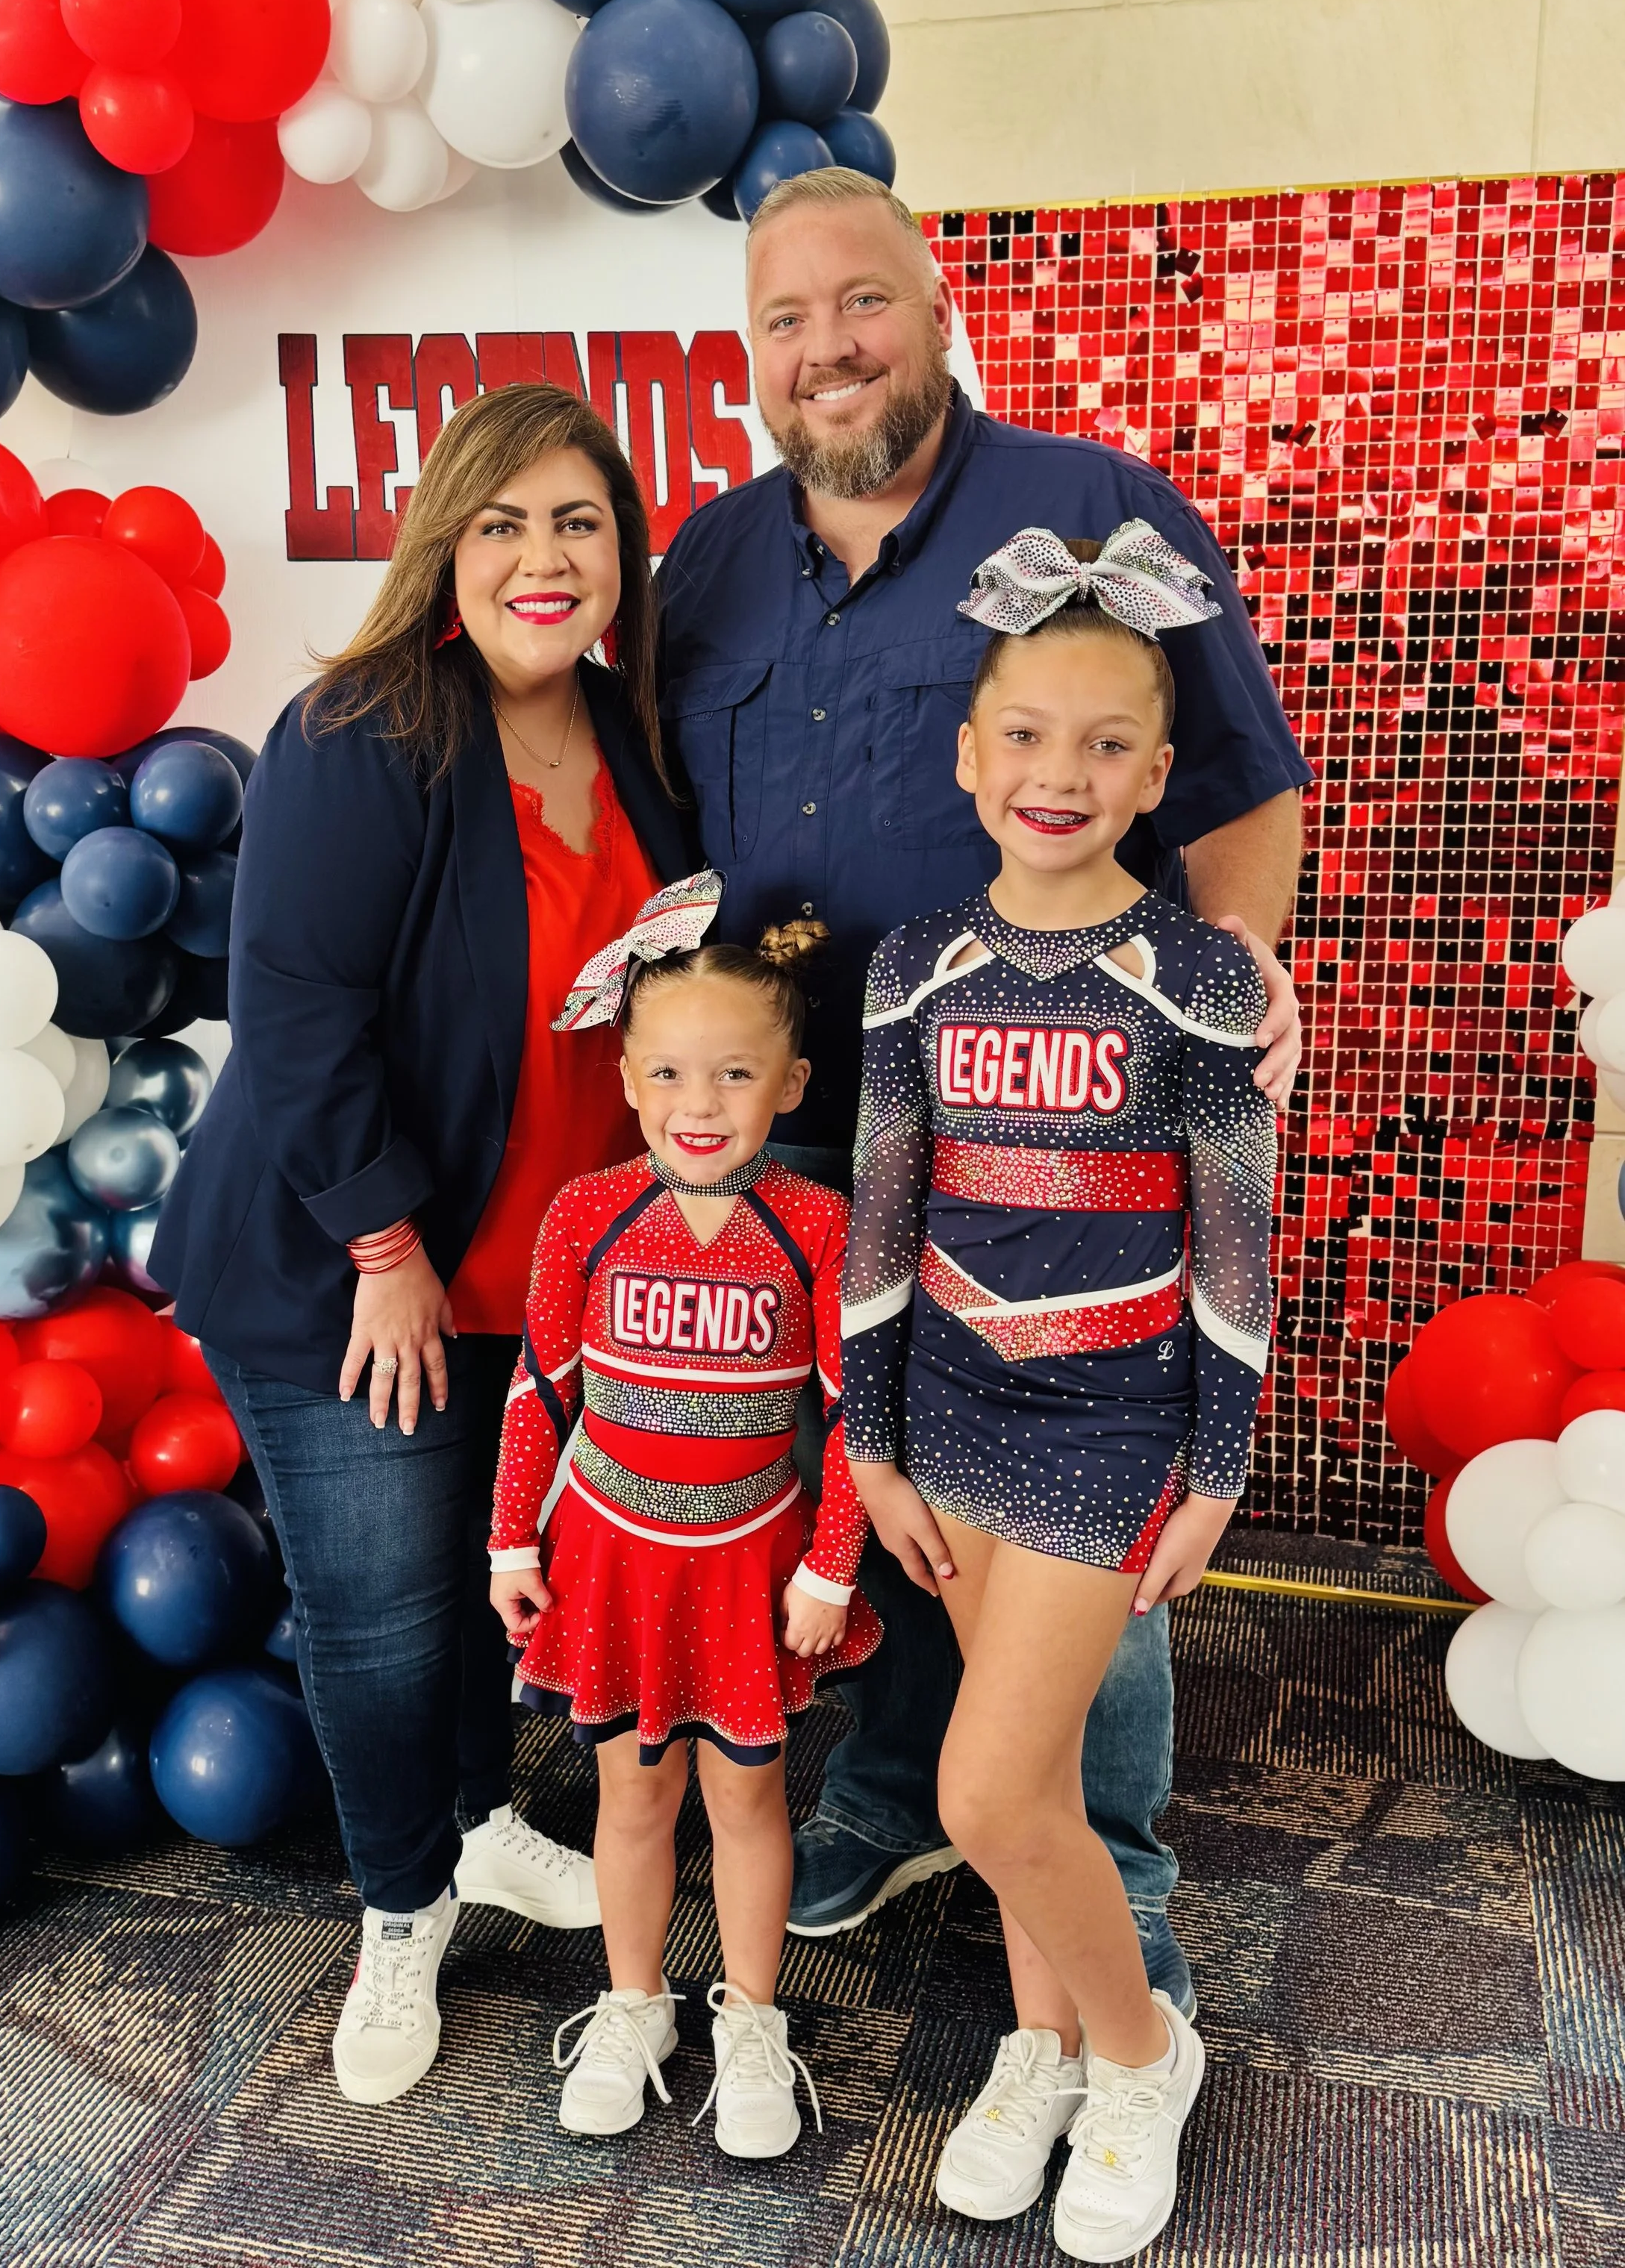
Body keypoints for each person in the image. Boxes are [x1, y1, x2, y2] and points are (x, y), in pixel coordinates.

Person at [657, 166, 1309, 1990]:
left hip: (1062, 1113)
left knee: (1076, 1479)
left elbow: (1240, 779)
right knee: (886, 1479)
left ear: (934, 311)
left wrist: (1234, 974)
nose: (825, 350)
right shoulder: (706, 561)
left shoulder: (1086, 506)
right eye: (784, 323)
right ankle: (896, 1792)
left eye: (857, 304)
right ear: (752, 358)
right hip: (803, 1113)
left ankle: (1114, 1877)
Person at [152, 384, 697, 2110]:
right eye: (503, 524)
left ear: (623, 551)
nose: (545, 561)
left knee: (477, 1583)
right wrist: (385, 1244)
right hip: (346, 1263)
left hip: (526, 1267)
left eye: (579, 524)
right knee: (380, 1616)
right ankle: (398, 1910)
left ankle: (468, 1825)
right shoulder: (365, 727)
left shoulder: (633, 734)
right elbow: (295, 1014)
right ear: (444, 546)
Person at [843, 534, 1276, 2255]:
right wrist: (867, 1440)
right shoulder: (911, 963)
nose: (1058, 774)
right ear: (968, 751)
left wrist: (1218, 1467)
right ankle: (1035, 2047)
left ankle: (1141, 2050)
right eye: (1025, 734)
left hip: (1110, 1431)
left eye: (1105, 744)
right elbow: (882, 1215)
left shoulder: (1203, 979)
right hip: (945, 1410)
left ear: (1155, 774)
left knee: (989, 1793)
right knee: (1007, 1778)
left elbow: (1237, 1248)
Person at [488, 890, 879, 2158]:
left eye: (733, 1074)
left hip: (749, 1566)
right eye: (667, 1072)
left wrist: (830, 1567)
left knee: (752, 1804)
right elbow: (541, 1392)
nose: (698, 1103)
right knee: (632, 1796)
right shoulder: (584, 1214)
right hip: (608, 1558)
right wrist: (511, 1541)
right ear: (627, 1075)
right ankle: (632, 2003)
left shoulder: (815, 1224)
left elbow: (851, 1413)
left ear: (792, 1084)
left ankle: (753, 2020)